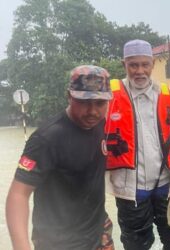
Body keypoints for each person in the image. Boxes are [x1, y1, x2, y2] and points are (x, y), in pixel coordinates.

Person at [6, 65, 114, 250]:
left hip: (98, 232)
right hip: (59, 241)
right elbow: (18, 194)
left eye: (100, 103)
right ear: (69, 96)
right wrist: (21, 246)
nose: (93, 111)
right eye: (84, 102)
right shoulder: (47, 138)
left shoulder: (100, 123)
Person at [105, 39, 170, 250]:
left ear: (153, 64)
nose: (140, 71)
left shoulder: (167, 95)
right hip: (130, 189)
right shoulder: (109, 96)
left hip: (166, 183)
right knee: (136, 244)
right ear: (124, 65)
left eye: (145, 64)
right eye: (133, 65)